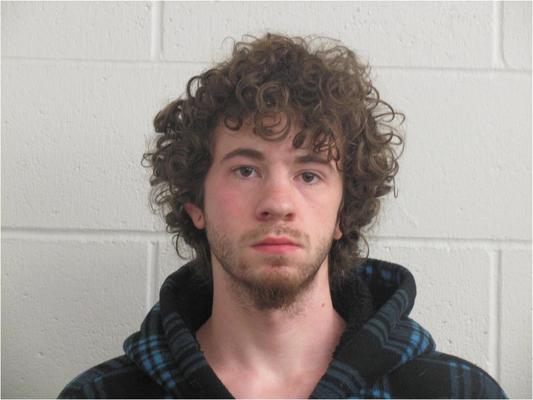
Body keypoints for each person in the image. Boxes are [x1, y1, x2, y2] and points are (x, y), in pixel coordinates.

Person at [59, 33, 506, 399]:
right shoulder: (100, 396)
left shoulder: (457, 394)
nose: (278, 202)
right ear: (196, 204)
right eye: (245, 170)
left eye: (309, 174)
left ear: (343, 212)